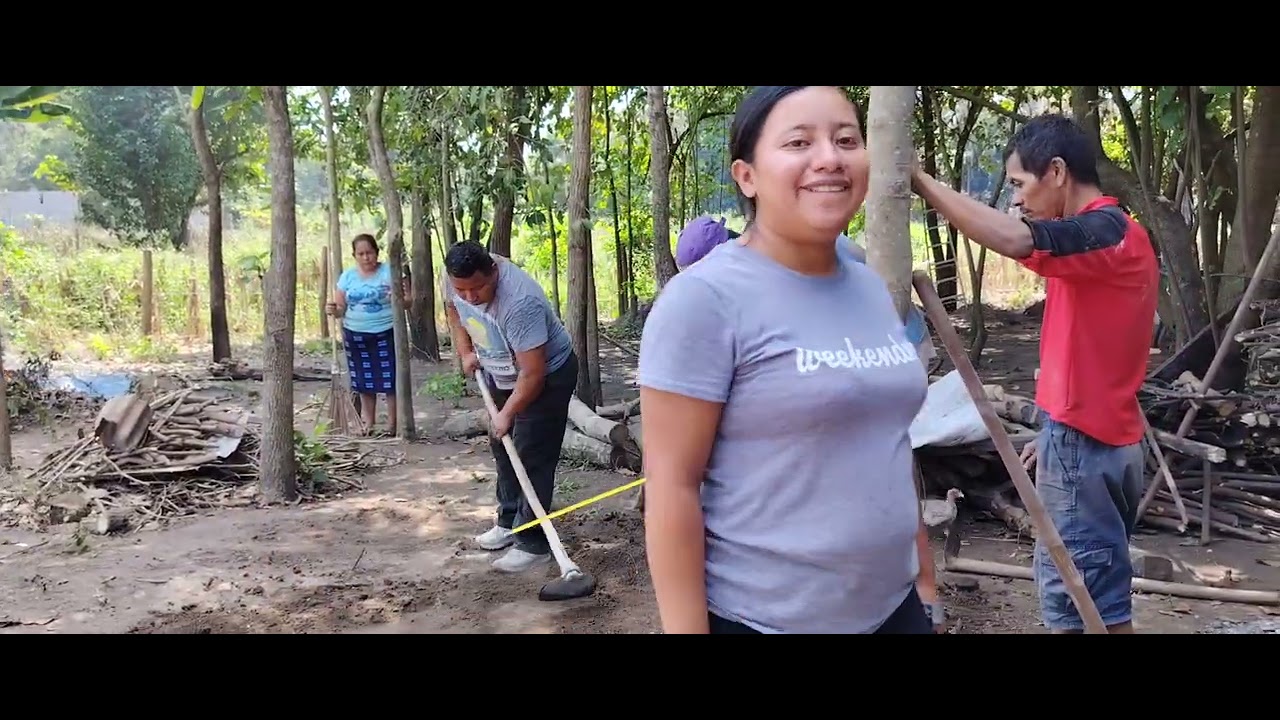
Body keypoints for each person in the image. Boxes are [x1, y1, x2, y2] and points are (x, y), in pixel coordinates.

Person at [638, 85, 935, 634]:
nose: (829, 157)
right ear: (746, 175)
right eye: (799, 142)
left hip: (895, 610)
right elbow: (671, 487)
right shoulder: (703, 302)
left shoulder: (870, 286)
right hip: (768, 621)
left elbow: (891, 445)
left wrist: (926, 587)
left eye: (846, 139)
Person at [911, 113, 1158, 634]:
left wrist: (921, 180)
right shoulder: (1100, 245)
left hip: (1088, 446)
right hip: (1096, 434)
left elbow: (1018, 240)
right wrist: (1051, 429)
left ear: (1058, 172)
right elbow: (1088, 352)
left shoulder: (1106, 230)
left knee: (1077, 604)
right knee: (1100, 595)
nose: (1017, 199)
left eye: (1021, 184)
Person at [441, 241, 579, 574]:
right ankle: (508, 523)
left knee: (531, 453)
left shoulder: (520, 302)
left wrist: (506, 414)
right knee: (502, 446)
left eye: (478, 288)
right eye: (464, 289)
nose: (471, 296)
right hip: (499, 371)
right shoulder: (454, 283)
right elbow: (455, 312)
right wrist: (465, 353)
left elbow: (533, 373)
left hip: (547, 377)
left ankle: (532, 543)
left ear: (494, 272)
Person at [326, 233, 408, 436]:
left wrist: (397, 298)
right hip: (355, 334)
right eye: (360, 254)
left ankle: (392, 424)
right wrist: (332, 309)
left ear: (377, 252)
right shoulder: (347, 277)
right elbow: (340, 309)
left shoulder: (391, 272)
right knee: (364, 381)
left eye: (369, 253)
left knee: (390, 380)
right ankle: (368, 422)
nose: (366, 258)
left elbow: (409, 301)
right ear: (354, 255)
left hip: (387, 331)